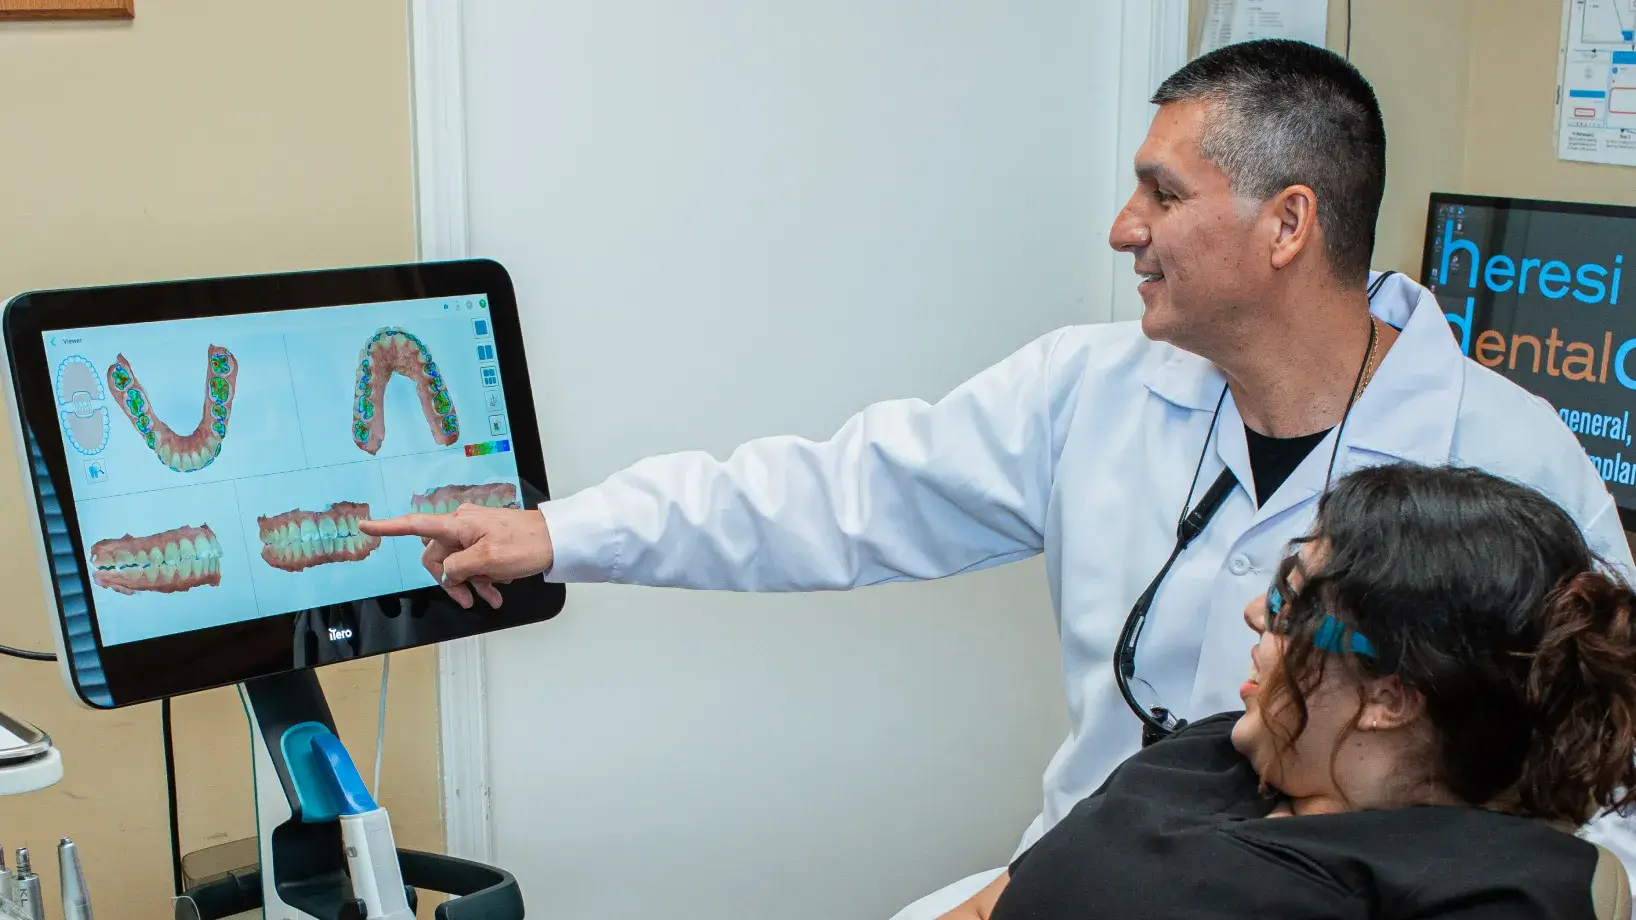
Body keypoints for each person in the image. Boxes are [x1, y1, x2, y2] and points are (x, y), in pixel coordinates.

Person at [360, 38, 1636, 914]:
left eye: (1160, 193)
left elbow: (1609, 788)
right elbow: (831, 494)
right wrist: (557, 531)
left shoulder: (1506, 457)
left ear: (1286, 224)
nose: (1122, 228)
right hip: (1081, 871)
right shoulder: (1092, 387)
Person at [940, 462, 1636, 920]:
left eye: (1288, 605)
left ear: (1389, 698)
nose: (1254, 614)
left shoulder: (1486, 890)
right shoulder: (1214, 751)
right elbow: (987, 909)